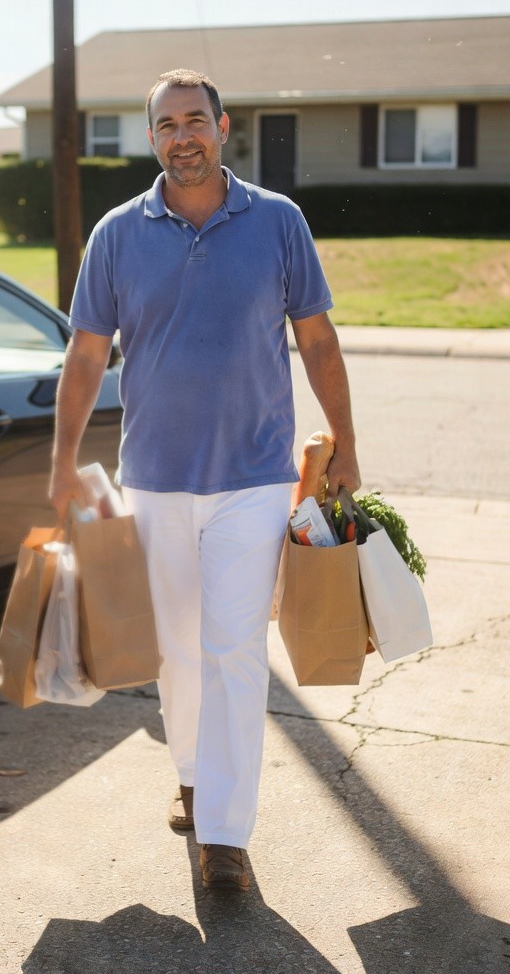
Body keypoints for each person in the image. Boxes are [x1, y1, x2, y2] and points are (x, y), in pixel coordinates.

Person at [49, 68, 360, 893]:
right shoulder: (118, 233)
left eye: (196, 120)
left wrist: (348, 446)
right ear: (151, 139)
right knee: (177, 651)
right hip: (153, 479)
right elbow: (85, 356)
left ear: (224, 128)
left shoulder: (278, 222)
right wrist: (59, 464)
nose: (182, 136)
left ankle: (225, 836)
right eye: (165, 125)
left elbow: (318, 342)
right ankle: (190, 773)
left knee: (234, 649)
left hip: (254, 477)